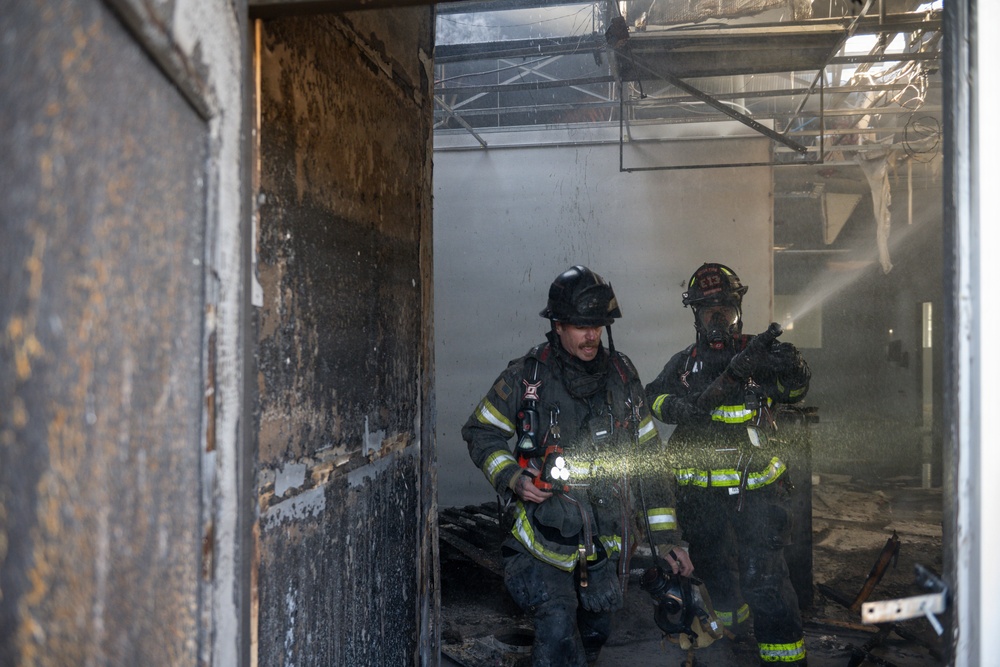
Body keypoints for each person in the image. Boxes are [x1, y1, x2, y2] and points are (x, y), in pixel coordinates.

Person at [463, 265, 694, 667]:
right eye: (581, 326)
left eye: (599, 326)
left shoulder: (622, 376)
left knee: (594, 634)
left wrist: (668, 539)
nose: (592, 336)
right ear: (558, 325)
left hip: (607, 543)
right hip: (544, 545)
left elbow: (649, 462)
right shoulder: (528, 377)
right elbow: (480, 430)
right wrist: (513, 478)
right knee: (557, 627)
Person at [644, 262, 812, 666]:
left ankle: (785, 659)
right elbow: (653, 398)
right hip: (700, 499)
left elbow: (794, 390)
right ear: (696, 316)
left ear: (738, 311)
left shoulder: (759, 357)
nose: (718, 321)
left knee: (763, 579)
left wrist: (791, 367)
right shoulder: (685, 365)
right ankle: (728, 638)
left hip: (757, 494)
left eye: (725, 311)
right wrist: (678, 408)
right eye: (709, 312)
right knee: (713, 574)